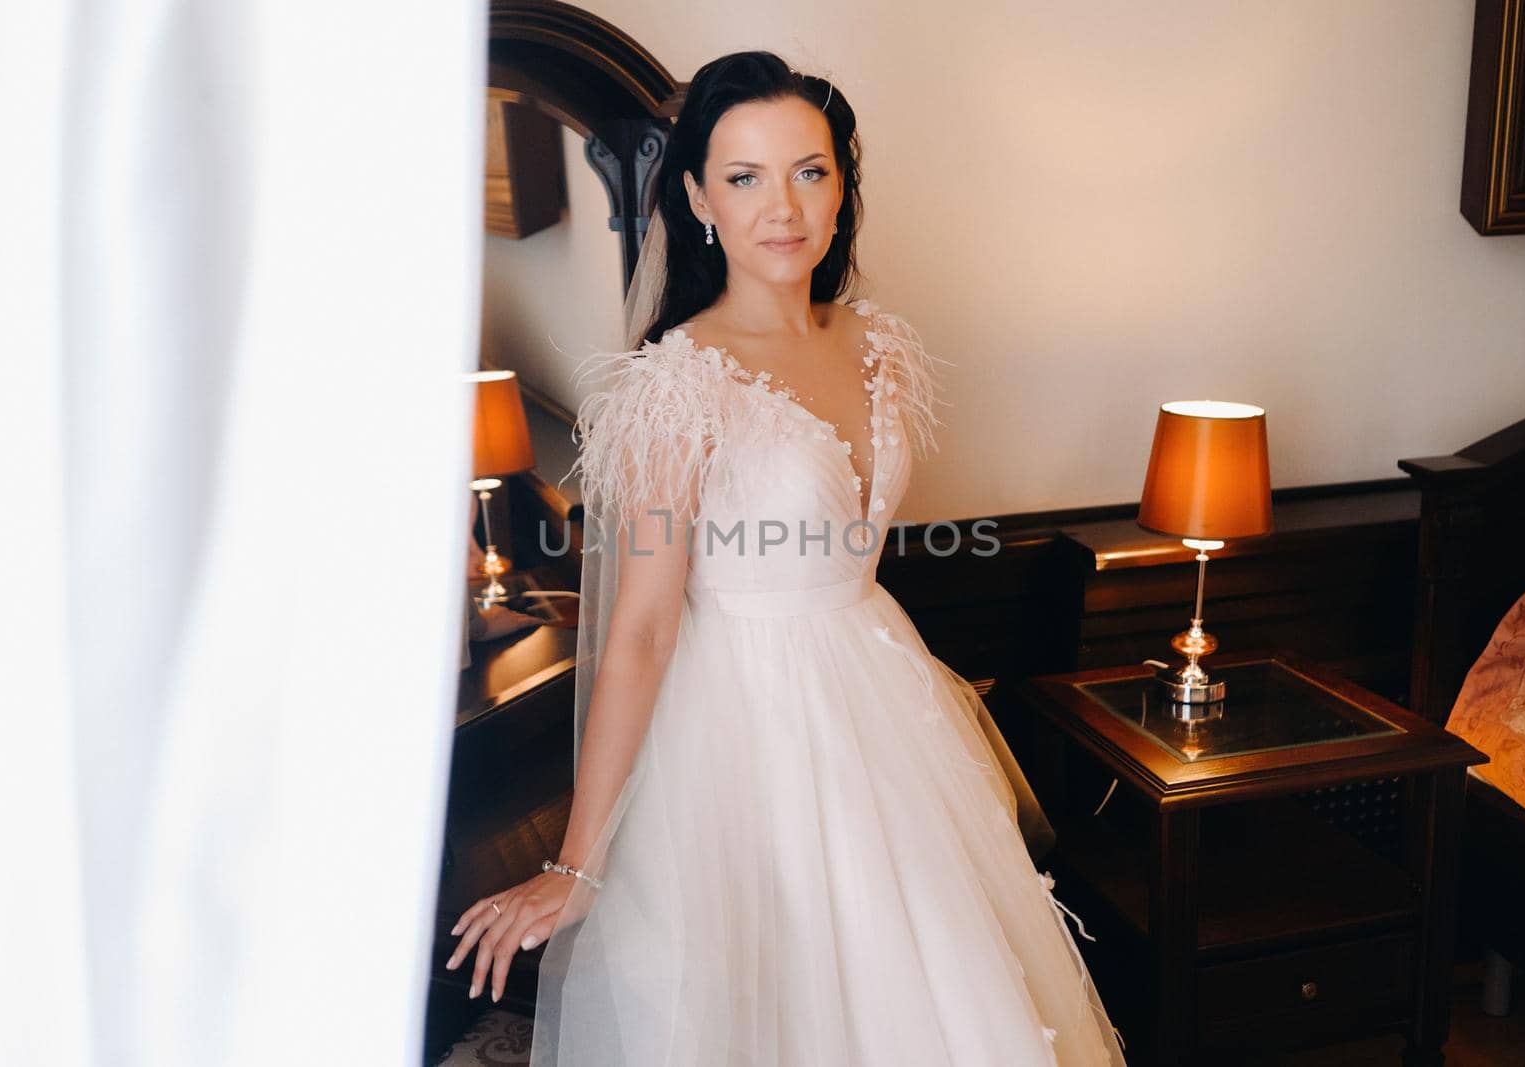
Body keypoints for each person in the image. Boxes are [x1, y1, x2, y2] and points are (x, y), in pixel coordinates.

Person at [444, 50, 1129, 1065]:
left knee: (933, 985)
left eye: (808, 171)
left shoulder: (876, 345)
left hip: (879, 689)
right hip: (740, 723)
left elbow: (847, 547)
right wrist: (576, 865)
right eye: (744, 177)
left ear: (843, 184)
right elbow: (639, 625)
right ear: (697, 197)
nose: (782, 207)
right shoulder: (674, 385)